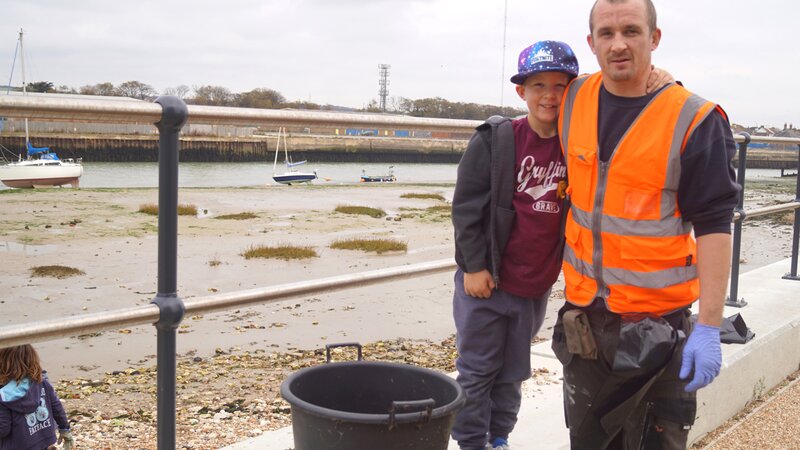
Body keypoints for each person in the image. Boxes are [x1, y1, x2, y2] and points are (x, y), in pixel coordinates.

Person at [451, 39, 673, 450]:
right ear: (522, 91)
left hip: (533, 289)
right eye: (538, 86)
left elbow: (616, 92)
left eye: (559, 86)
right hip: (487, 282)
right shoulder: (497, 139)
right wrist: (474, 265)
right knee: (477, 369)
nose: (549, 96)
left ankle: (499, 437)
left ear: (573, 91)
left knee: (514, 370)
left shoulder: (579, 143)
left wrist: (658, 78)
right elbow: (465, 208)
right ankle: (470, 442)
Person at [551, 0, 741, 449]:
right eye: (607, 33)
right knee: (589, 442)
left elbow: (715, 225)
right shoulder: (573, 97)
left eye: (632, 31)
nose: (619, 44)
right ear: (591, 43)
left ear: (654, 39)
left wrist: (710, 327)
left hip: (658, 331)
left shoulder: (695, 119)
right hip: (586, 328)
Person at [0, 345, 74, 450]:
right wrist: (64, 429)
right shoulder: (42, 382)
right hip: (43, 440)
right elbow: (56, 406)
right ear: (32, 359)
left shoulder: (3, 395)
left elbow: (3, 429)